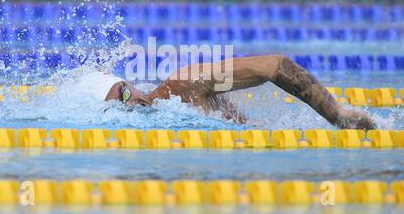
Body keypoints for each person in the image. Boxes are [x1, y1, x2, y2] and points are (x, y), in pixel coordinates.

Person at [85, 54, 376, 130]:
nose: (130, 105)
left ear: (131, 84)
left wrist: (337, 115)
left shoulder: (182, 86)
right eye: (117, 107)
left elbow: (275, 66)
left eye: (124, 92)